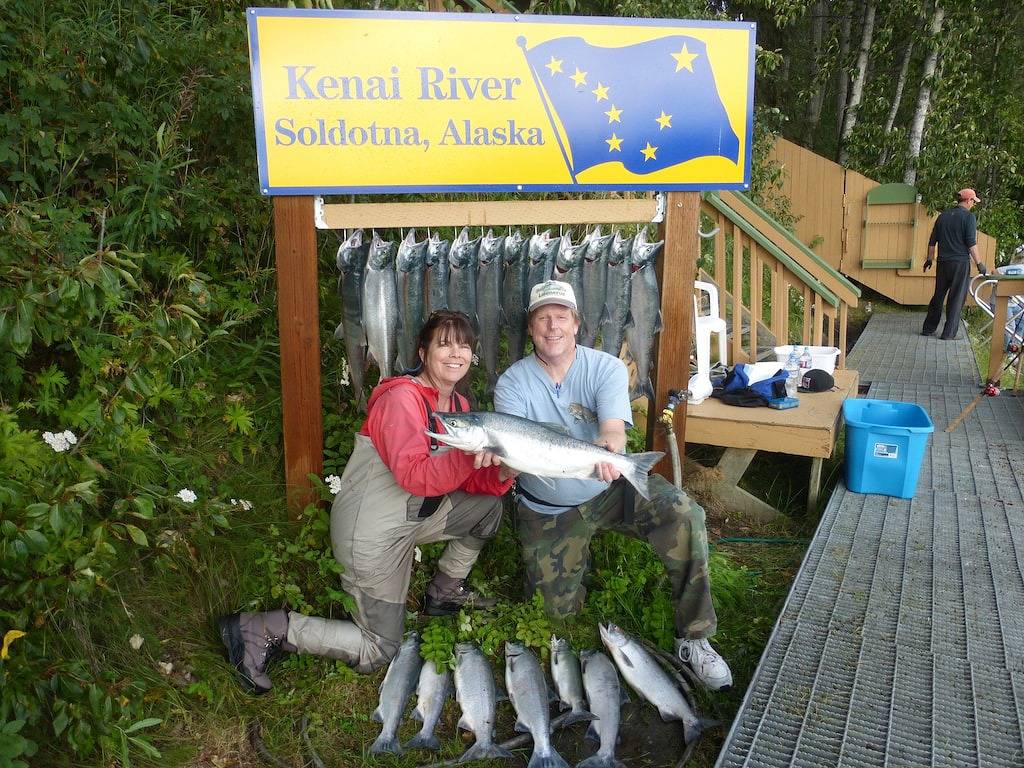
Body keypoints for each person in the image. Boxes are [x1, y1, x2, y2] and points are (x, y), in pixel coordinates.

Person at [219, 310, 514, 693]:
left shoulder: (457, 404)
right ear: (422, 353)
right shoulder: (400, 398)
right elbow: (415, 475)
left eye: (463, 344)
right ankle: (263, 628)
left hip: (415, 517)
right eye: (444, 343)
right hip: (371, 534)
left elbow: (468, 477)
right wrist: (474, 450)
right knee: (379, 648)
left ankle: (443, 593)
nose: (455, 352)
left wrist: (503, 472)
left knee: (489, 510)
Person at [492, 280, 733, 691]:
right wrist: (500, 462)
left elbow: (613, 432)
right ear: (531, 328)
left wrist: (610, 449)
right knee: (555, 616)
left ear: (576, 323)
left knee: (684, 514)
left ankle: (694, 637)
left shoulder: (605, 367)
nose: (553, 327)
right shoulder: (512, 383)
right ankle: (574, 573)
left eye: (561, 317)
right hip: (548, 506)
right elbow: (511, 466)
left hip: (608, 489)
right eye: (543, 318)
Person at [921, 187, 988, 340]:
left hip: (943, 263)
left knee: (938, 296)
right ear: (968, 200)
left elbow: (932, 241)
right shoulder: (969, 217)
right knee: (956, 298)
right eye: (973, 201)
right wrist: (979, 264)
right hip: (960, 263)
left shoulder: (943, 216)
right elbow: (971, 243)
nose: (973, 204)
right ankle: (948, 334)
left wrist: (929, 259)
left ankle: (928, 328)